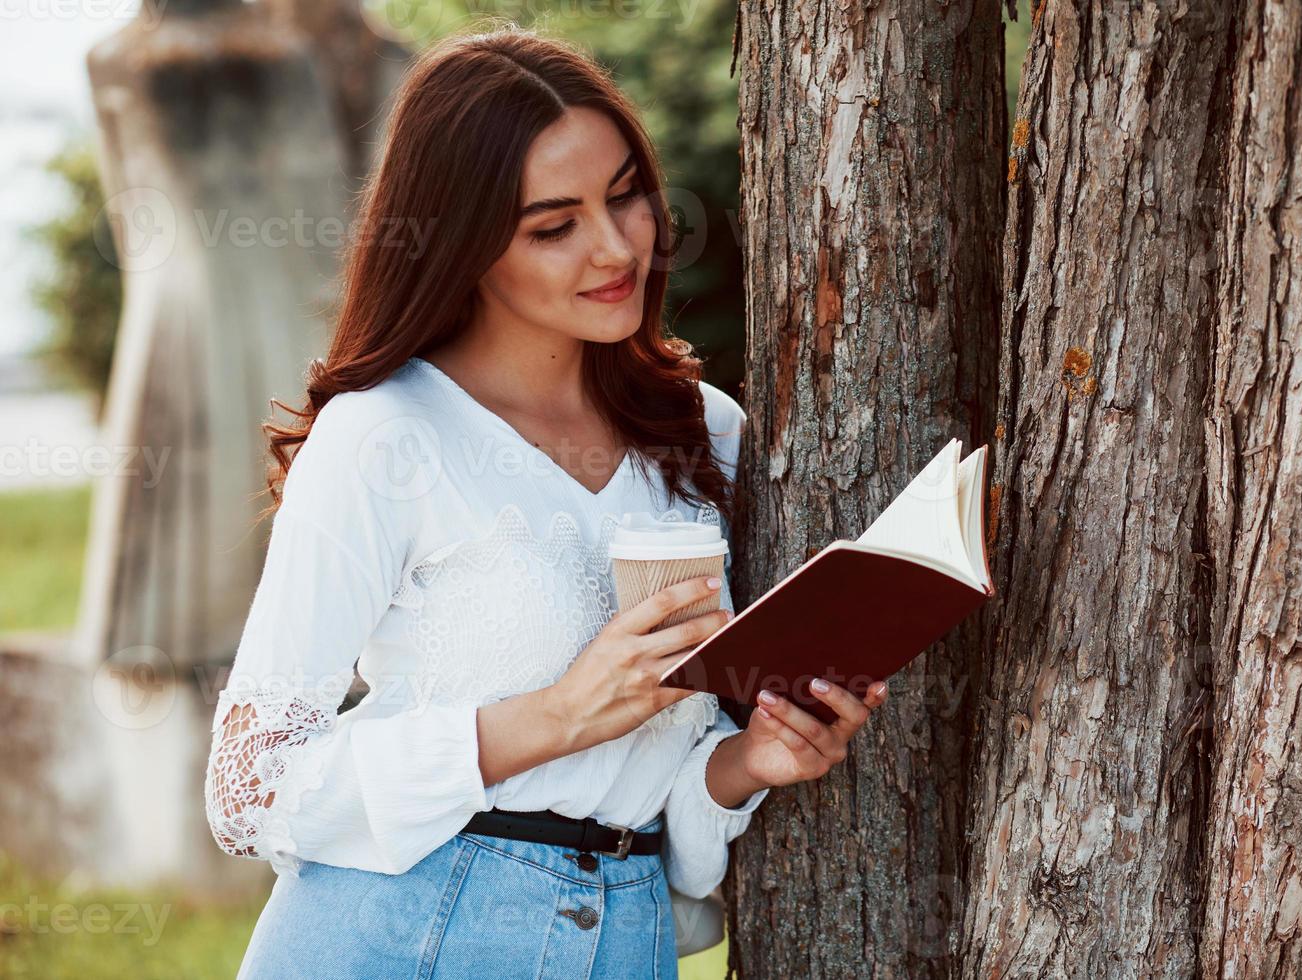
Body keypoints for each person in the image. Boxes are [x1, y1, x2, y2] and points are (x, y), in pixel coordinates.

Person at [202, 22, 890, 979]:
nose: (615, 248)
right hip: (404, 934)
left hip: (625, 931)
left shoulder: (706, 435)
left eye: (626, 197)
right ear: (466, 244)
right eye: (553, 226)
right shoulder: (386, 435)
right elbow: (251, 787)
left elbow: (651, 783)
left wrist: (751, 764)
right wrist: (558, 714)